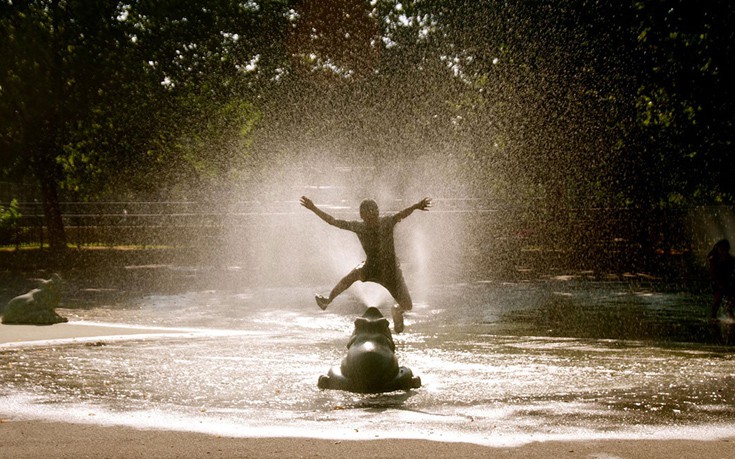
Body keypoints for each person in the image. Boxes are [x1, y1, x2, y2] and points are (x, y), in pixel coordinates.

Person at [300, 195, 431, 333]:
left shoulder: (386, 222)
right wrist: (313, 208)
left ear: (377, 213)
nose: (371, 218)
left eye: (373, 213)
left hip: (390, 272)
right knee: (351, 276)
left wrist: (416, 206)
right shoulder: (359, 227)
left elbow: (403, 213)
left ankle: (397, 310)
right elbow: (333, 221)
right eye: (367, 215)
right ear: (362, 216)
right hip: (370, 268)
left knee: (408, 305)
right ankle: (327, 300)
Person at [707, 239, 735, 320]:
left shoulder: (730, 259)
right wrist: (718, 283)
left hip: (727, 282)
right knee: (718, 301)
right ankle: (714, 318)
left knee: (730, 302)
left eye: (724, 249)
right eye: (722, 249)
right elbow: (712, 273)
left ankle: (730, 317)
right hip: (719, 282)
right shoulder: (714, 259)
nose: (723, 251)